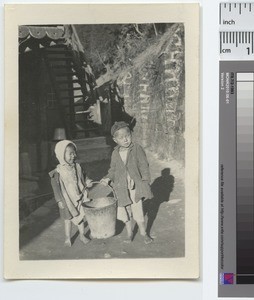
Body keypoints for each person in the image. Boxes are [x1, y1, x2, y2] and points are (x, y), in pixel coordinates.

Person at [101, 121, 153, 244]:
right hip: (121, 188)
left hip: (134, 187)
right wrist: (107, 178)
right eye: (121, 137)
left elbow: (144, 166)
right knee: (125, 211)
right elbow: (112, 170)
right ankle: (129, 234)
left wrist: (145, 181)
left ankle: (143, 233)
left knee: (138, 210)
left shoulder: (137, 149)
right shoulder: (115, 153)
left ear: (131, 135)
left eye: (127, 136)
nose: (125, 139)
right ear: (115, 140)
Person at [49, 140, 92, 247]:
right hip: (67, 199)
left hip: (78, 196)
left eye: (74, 153)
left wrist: (87, 181)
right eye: (70, 154)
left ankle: (82, 235)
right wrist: (59, 200)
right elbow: (56, 188)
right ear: (61, 155)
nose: (74, 156)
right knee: (68, 219)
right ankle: (68, 238)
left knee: (80, 217)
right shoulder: (57, 172)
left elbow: (83, 176)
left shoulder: (77, 166)